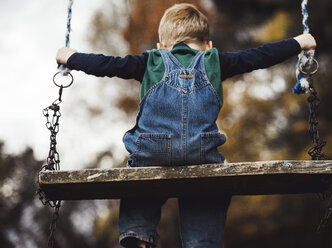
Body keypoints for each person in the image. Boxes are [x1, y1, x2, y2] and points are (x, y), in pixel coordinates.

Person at [56, 3, 316, 248]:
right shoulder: (215, 62)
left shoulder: (151, 61)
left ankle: (139, 235)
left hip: (152, 153)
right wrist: (298, 42)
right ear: (207, 45)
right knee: (208, 188)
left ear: (161, 46)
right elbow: (258, 56)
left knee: (138, 181)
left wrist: (71, 57)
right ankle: (201, 242)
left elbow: (107, 65)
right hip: (201, 155)